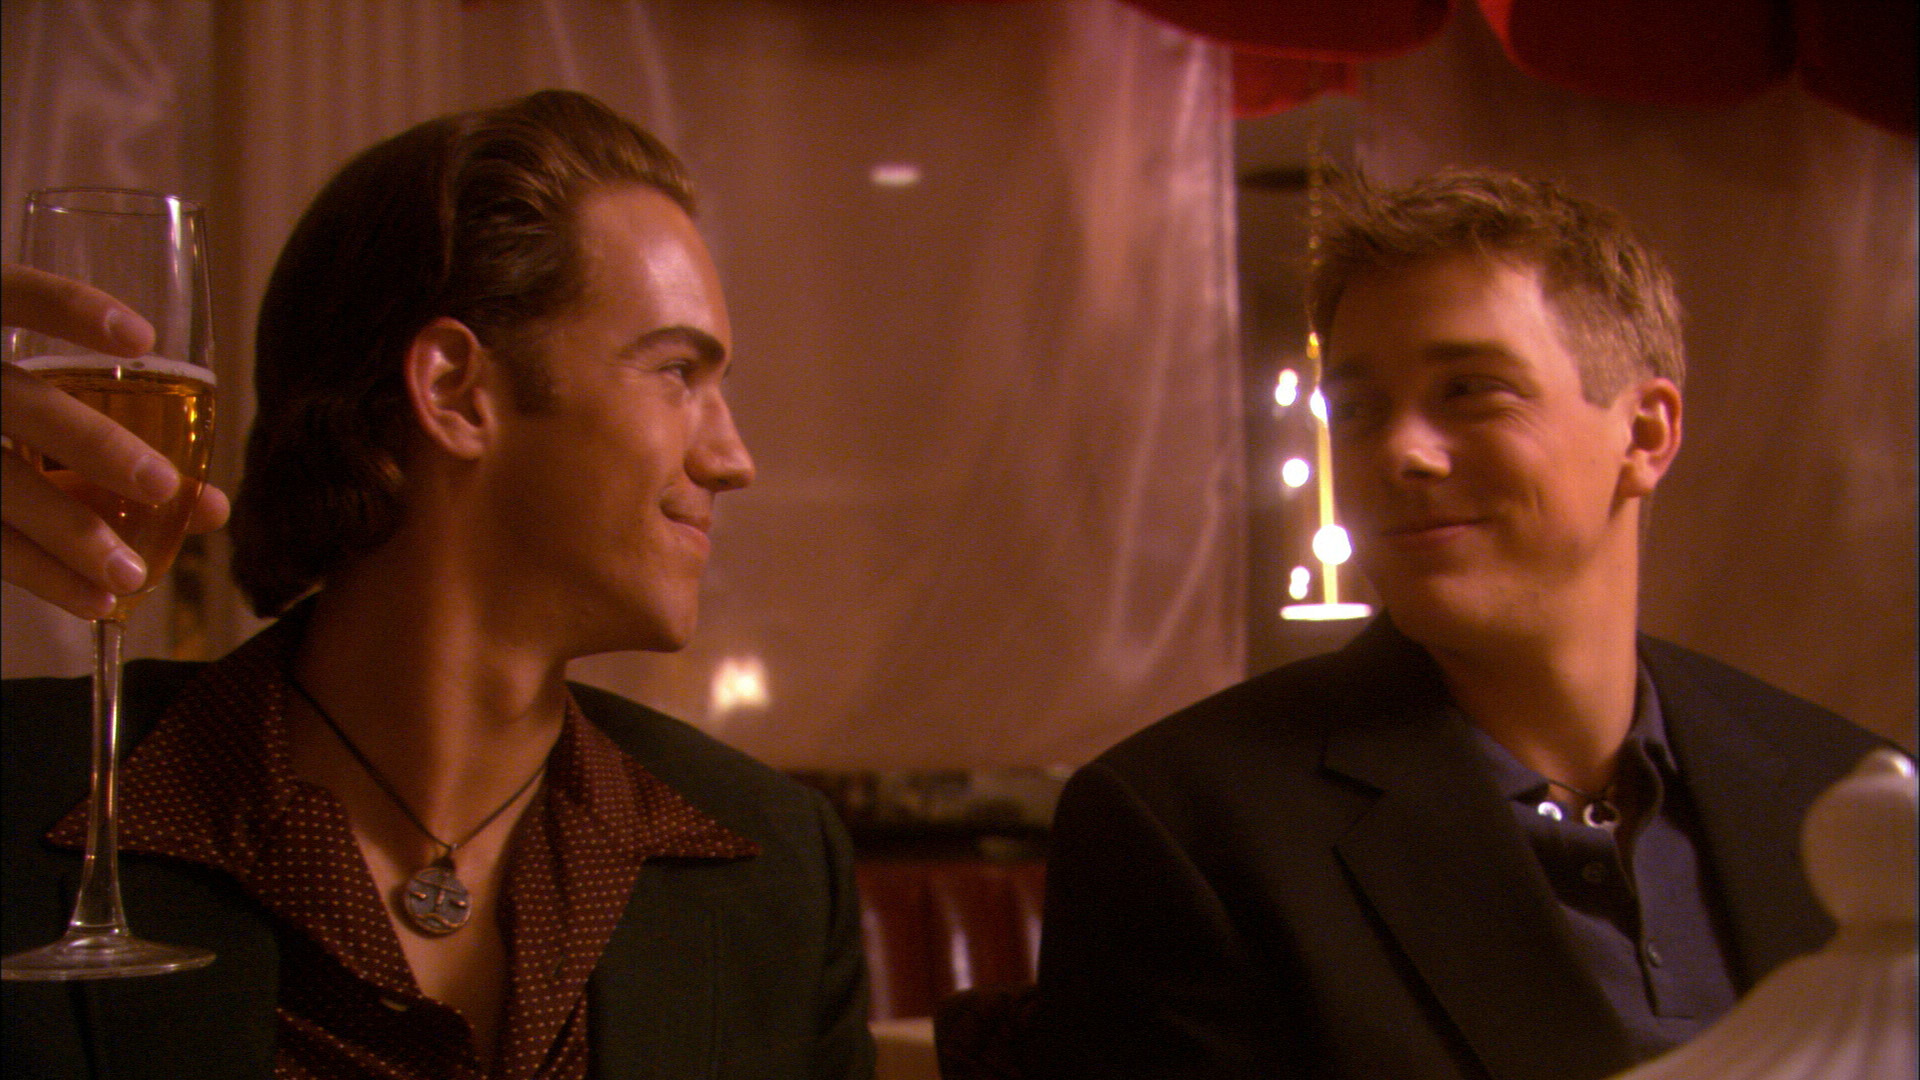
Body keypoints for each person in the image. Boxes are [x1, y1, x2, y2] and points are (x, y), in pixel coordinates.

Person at [3, 90, 873, 1079]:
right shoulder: (29, 798)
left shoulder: (775, 866)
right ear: (457, 391)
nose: (732, 458)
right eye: (678, 372)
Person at [1026, 171, 1887, 1079]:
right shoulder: (1185, 828)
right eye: (1356, 410)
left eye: (1472, 389)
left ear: (1644, 435)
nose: (1399, 451)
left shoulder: (1841, 791)